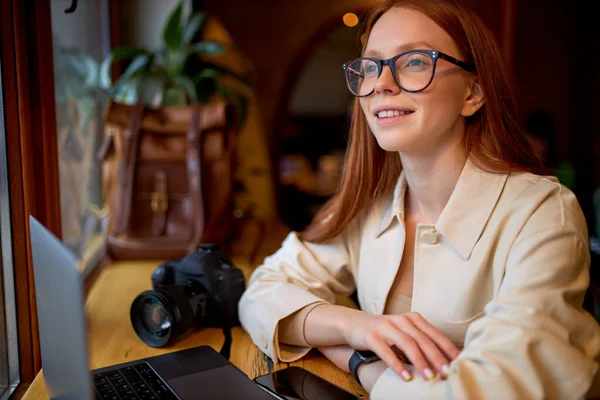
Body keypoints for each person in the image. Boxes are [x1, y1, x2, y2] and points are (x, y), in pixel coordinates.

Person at [239, 0, 600, 398]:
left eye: (412, 61)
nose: (382, 84)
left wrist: (362, 366)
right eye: (371, 66)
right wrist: (355, 327)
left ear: (472, 93)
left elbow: (501, 389)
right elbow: (262, 292)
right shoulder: (371, 205)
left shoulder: (543, 214)